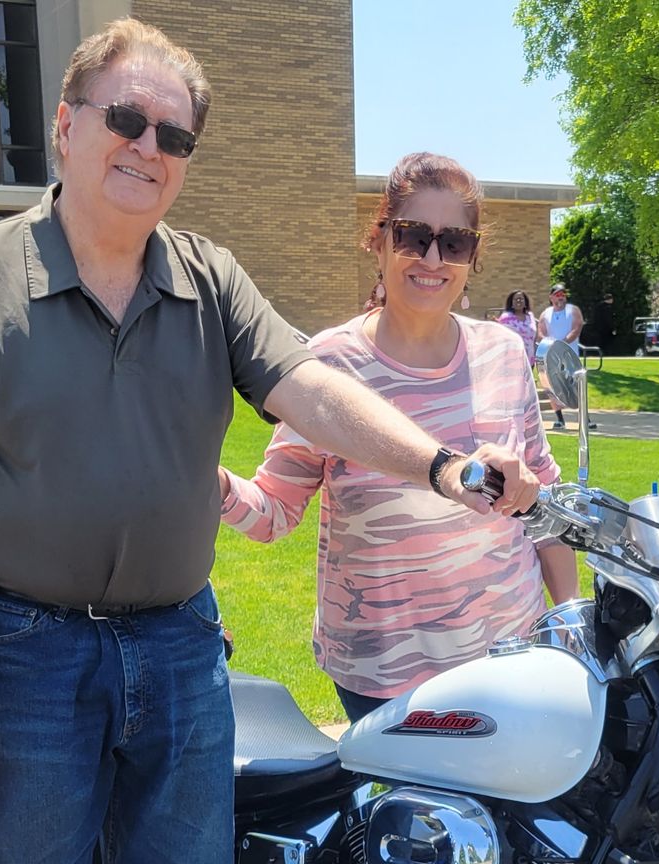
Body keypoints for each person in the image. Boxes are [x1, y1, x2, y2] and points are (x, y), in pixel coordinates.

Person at [0, 21, 536, 864]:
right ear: (66, 125)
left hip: (180, 649)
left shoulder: (210, 278)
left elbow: (314, 391)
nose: (149, 148)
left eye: (175, 137)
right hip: (31, 655)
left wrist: (443, 467)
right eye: (127, 120)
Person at [218, 153, 579, 724]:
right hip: (385, 675)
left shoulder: (506, 353)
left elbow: (546, 503)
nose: (433, 259)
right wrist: (205, 478)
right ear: (380, 241)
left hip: (511, 655)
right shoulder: (327, 365)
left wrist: (572, 619)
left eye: (454, 243)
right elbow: (273, 514)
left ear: (472, 257)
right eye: (413, 236)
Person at [537, 284, 586, 429]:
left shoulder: (573, 310)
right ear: (551, 297)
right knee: (551, 386)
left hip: (570, 355)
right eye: (557, 295)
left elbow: (577, 328)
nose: (561, 298)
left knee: (576, 386)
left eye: (563, 295)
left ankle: (585, 418)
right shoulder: (546, 313)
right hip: (551, 356)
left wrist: (562, 343)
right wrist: (550, 344)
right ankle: (559, 419)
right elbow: (540, 332)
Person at [498, 289, 538, 367]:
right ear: (511, 303)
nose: (518, 301)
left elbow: (533, 336)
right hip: (512, 359)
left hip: (529, 359)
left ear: (525, 302)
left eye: (521, 299)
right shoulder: (505, 318)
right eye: (516, 299)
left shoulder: (530, 316)